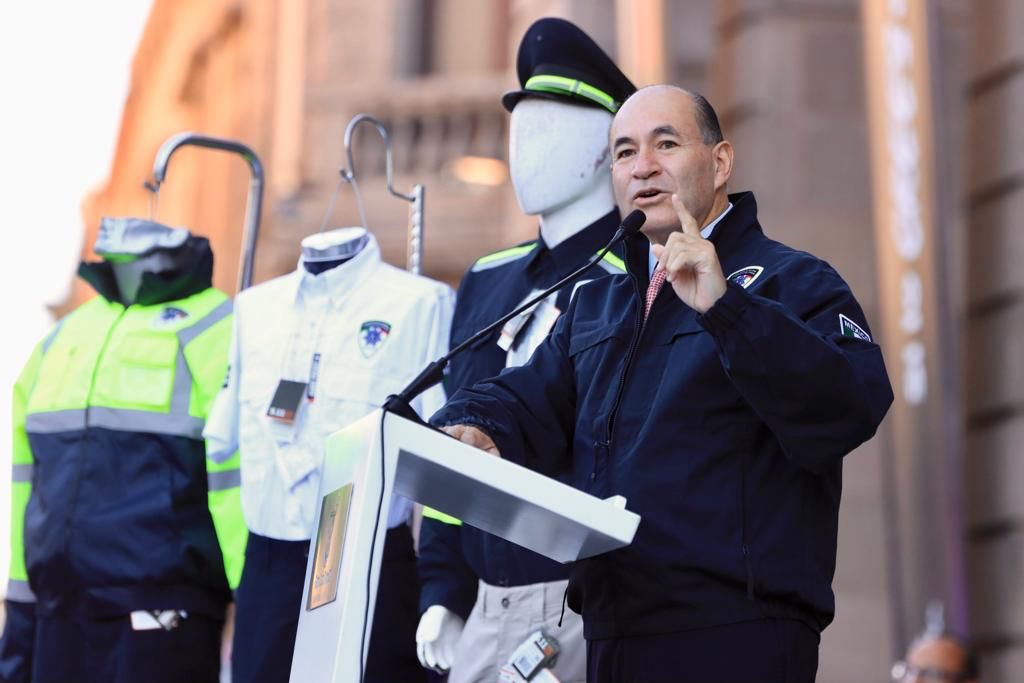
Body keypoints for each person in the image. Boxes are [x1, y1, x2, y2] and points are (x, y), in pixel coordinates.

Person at [432, 84, 894, 683]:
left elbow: (849, 405)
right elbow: (529, 396)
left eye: (666, 143)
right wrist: (477, 425)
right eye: (624, 152)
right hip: (611, 632)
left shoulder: (792, 280)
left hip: (734, 637)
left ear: (720, 161)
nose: (642, 166)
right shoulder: (595, 302)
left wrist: (727, 309)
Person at [415, 17, 635, 683]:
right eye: (519, 130)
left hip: (585, 601)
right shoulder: (488, 279)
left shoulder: (637, 280)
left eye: (547, 131)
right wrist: (441, 590)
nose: (524, 152)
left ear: (603, 147)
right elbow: (455, 441)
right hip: (486, 603)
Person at [203, 226, 454, 683]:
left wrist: (446, 590)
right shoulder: (254, 309)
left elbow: (441, 455)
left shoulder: (422, 304)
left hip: (371, 564)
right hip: (268, 569)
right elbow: (220, 438)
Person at [1, 217, 246, 683]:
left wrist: (252, 599)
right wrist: (20, 605)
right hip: (58, 610)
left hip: (164, 610)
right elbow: (23, 482)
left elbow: (237, 478)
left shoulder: (222, 327)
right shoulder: (62, 339)